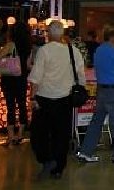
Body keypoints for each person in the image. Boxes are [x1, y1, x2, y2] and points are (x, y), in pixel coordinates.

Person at [28, 20, 86, 179]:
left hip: (44, 98)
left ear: (48, 33)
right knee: (61, 134)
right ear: (63, 34)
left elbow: (36, 77)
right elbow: (81, 75)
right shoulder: (73, 51)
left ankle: (46, 159)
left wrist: (32, 97)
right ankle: (59, 166)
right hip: (65, 98)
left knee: (40, 133)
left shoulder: (44, 51)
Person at [77, 26, 114, 164]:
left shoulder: (99, 50)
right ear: (113, 37)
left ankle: (86, 151)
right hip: (113, 90)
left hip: (101, 90)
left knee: (96, 122)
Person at [0, 23, 31, 146]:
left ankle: (10, 136)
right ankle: (20, 134)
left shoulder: (11, 45)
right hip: (22, 78)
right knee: (22, 106)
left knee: (10, 107)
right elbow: (27, 65)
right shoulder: (28, 46)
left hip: (9, 79)